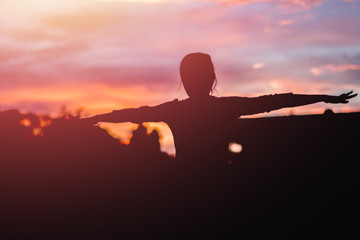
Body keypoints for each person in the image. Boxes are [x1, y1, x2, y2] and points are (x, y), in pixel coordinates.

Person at [82, 53, 357, 166]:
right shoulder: (226, 107)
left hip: (185, 194)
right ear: (213, 79)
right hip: (223, 190)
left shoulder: (175, 111)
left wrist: (93, 120)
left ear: (184, 81)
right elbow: (277, 99)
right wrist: (326, 97)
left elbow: (131, 112)